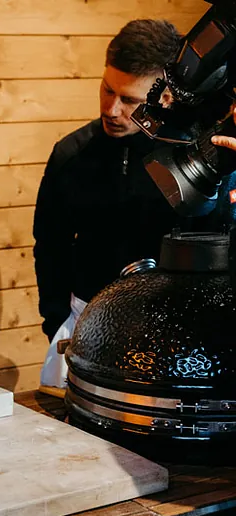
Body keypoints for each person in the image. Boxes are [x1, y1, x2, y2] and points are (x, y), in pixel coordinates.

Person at [33, 19, 222, 389]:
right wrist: (54, 320)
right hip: (84, 325)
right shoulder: (72, 153)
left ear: (164, 94)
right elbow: (49, 245)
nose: (112, 109)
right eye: (107, 89)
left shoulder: (198, 160)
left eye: (130, 100)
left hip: (179, 334)